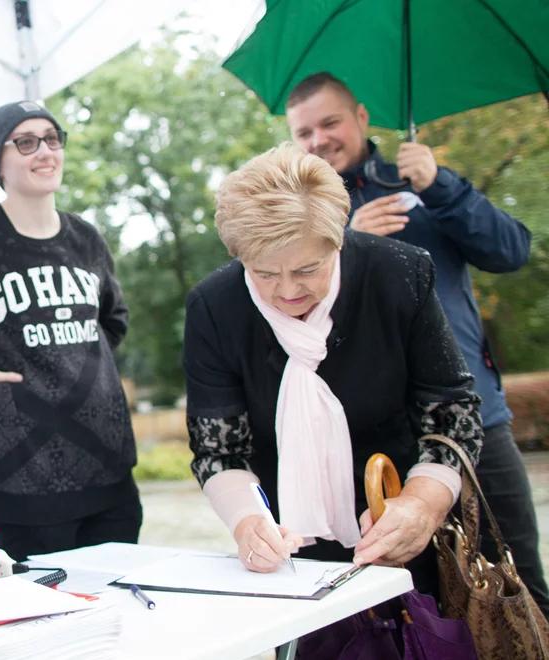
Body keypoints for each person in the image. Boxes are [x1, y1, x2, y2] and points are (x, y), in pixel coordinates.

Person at [284, 71, 547, 613]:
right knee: (414, 601)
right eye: (304, 132)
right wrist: (348, 245)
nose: (319, 140)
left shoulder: (424, 188)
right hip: (374, 436)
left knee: (518, 585)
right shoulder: (301, 221)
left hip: (473, 418)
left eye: (329, 122)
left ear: (360, 117)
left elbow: (512, 252)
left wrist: (440, 185)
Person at [184, 144, 483, 593]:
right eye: (264, 273)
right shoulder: (214, 306)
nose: (287, 291)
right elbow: (220, 450)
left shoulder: (400, 273)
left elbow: (453, 415)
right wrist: (248, 524)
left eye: (308, 269)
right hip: (290, 548)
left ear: (337, 240)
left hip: (404, 529)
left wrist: (422, 506)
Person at [0, 101, 141, 561]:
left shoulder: (85, 238)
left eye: (52, 139)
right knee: (49, 618)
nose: (45, 152)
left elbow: (112, 320)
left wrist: (84, 368)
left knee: (119, 615)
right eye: (26, 142)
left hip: (112, 473)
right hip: (26, 478)